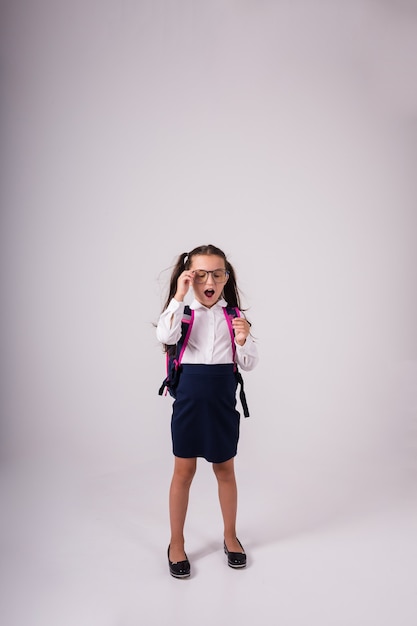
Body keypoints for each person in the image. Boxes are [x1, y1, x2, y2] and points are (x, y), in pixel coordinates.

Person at [156, 244, 259, 578]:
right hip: (188, 403)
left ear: (226, 278)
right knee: (183, 472)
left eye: (217, 273)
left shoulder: (234, 317)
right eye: (200, 275)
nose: (209, 280)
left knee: (225, 471)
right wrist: (178, 296)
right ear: (189, 278)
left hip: (220, 404)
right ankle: (176, 542)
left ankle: (230, 536)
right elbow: (165, 334)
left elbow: (248, 364)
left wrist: (245, 341)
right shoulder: (183, 313)